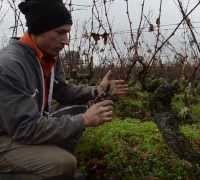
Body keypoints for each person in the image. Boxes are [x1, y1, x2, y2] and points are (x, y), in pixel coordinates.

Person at [0, 0, 128, 179]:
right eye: (60, 32)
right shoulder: (10, 65)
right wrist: (83, 120)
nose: (66, 41)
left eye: (67, 33)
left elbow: (62, 91)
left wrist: (96, 91)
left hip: (21, 128)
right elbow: (24, 129)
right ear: (40, 28)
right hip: (7, 135)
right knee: (63, 163)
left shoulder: (48, 55)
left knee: (76, 117)